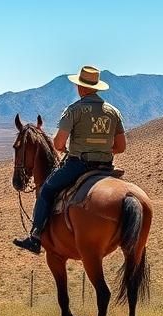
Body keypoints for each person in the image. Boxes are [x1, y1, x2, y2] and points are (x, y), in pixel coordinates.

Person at [13, 65, 126, 254]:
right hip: (106, 167)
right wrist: (102, 150)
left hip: (78, 165)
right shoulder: (113, 112)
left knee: (47, 190)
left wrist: (68, 148)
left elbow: (58, 144)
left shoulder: (74, 110)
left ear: (81, 88)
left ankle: (35, 237)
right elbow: (121, 147)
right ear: (96, 87)